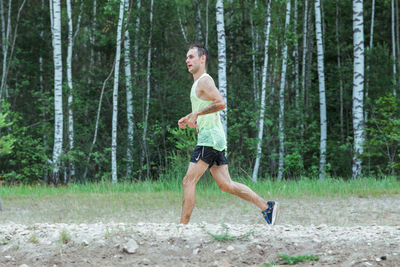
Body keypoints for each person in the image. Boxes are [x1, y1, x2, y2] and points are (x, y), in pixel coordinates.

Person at [177, 44, 278, 225]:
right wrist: (190, 118)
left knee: (188, 181)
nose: (187, 60)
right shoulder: (197, 84)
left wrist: (197, 114)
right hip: (214, 138)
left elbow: (221, 103)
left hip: (210, 139)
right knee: (226, 185)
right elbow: (205, 110)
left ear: (202, 59)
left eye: (191, 56)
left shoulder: (204, 81)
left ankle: (182, 228)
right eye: (186, 57)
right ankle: (267, 207)